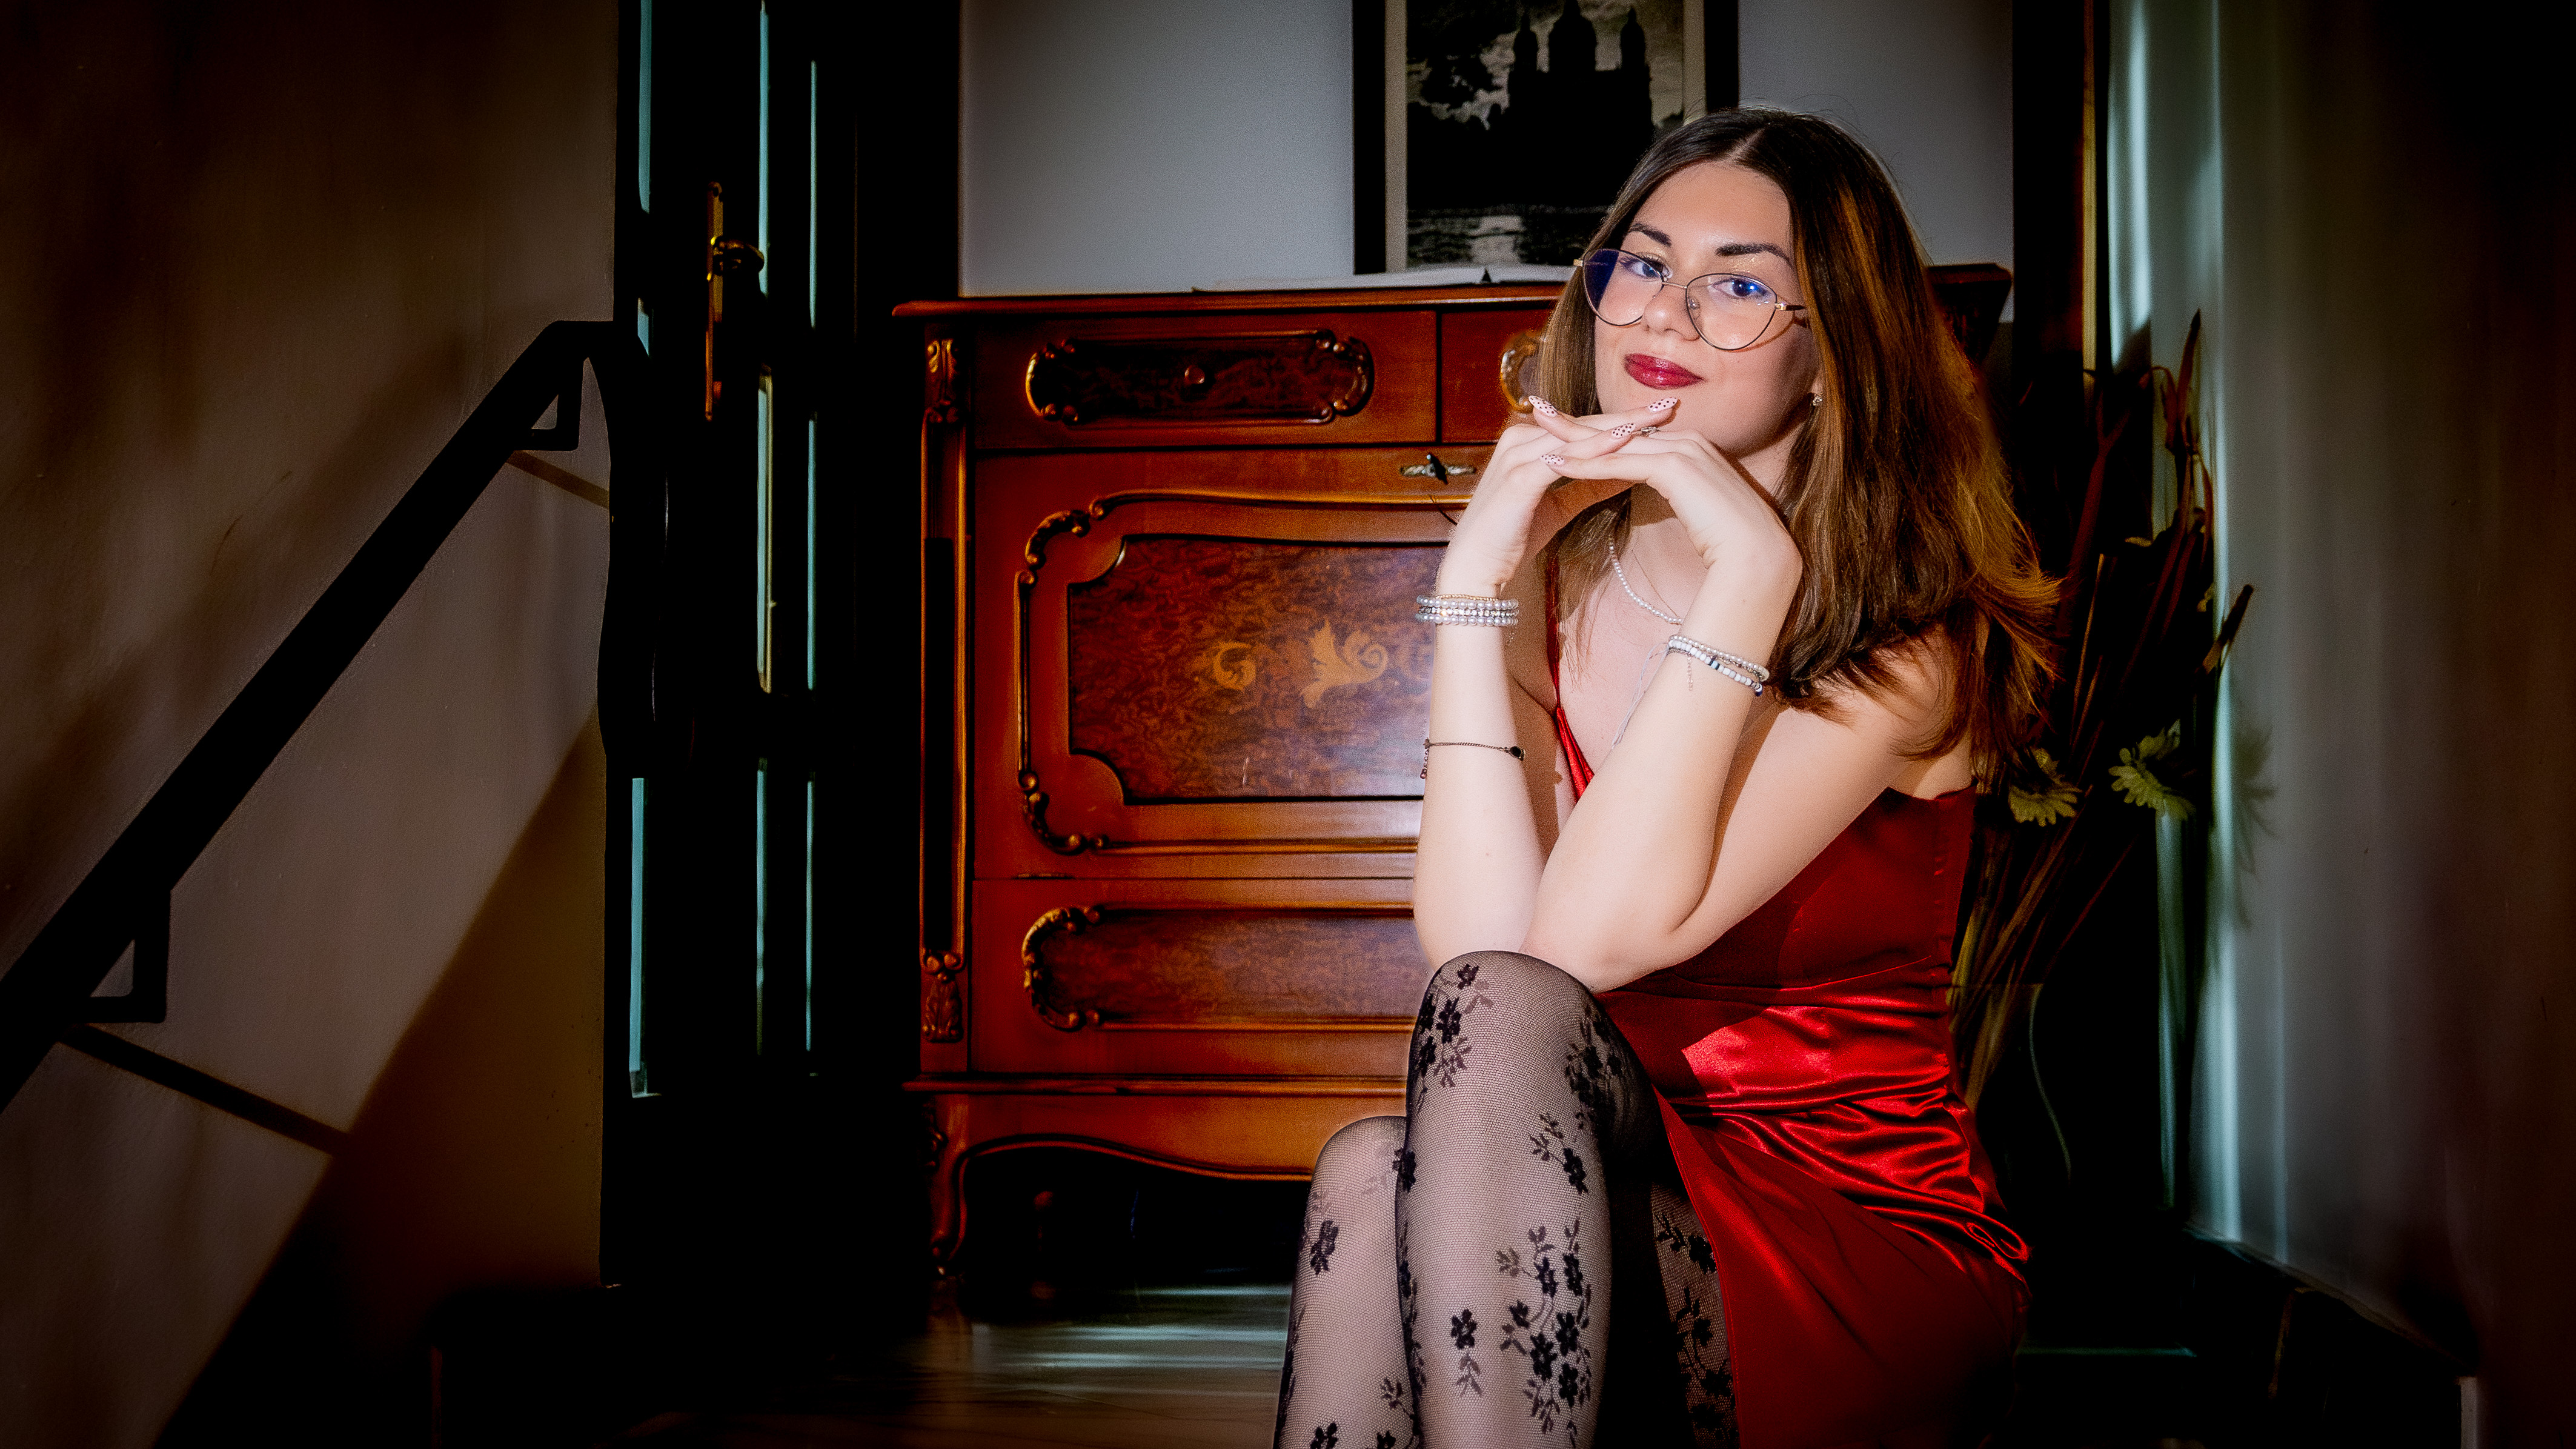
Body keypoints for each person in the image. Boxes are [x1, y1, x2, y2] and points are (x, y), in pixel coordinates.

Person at [1272, 110, 2057, 1448]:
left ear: (1832, 354)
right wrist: (1475, 586)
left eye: (1738, 286)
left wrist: (1754, 574)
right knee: (1366, 1165)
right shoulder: (1557, 592)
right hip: (1594, 1149)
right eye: (1640, 263)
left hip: (1847, 1229)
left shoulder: (1907, 651)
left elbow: (1581, 949)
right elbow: (1483, 960)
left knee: (1417, 1126)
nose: (1665, 311)